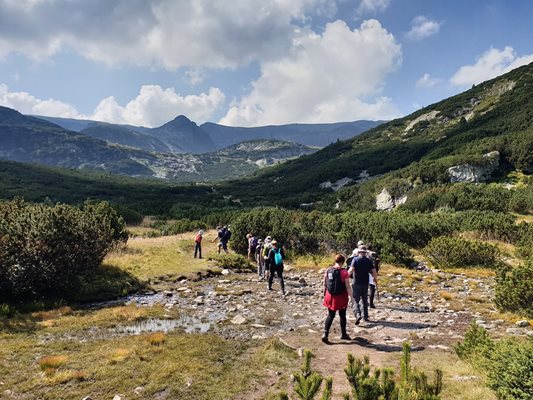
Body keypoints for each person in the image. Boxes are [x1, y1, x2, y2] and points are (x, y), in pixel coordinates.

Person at [322, 254, 354, 344]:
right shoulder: (344, 272)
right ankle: (343, 334)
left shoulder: (328, 270)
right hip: (341, 297)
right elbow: (348, 287)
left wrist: (324, 293)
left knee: (331, 315)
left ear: (335, 261)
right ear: (343, 262)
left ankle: (325, 334)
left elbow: (324, 283)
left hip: (329, 296)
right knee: (342, 315)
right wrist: (351, 298)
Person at [349, 248, 378, 325]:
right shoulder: (368, 261)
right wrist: (375, 278)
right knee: (364, 300)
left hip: (356, 283)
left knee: (356, 300)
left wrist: (345, 276)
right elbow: (374, 270)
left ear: (358, 252)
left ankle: (358, 314)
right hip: (365, 283)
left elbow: (351, 270)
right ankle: (365, 316)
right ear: (365, 253)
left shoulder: (355, 260)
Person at [366, 244, 381, 308]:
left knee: (365, 287)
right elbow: (378, 263)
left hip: (365, 272)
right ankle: (371, 303)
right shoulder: (374, 254)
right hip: (372, 272)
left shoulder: (364, 253)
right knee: (372, 287)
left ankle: (365, 302)